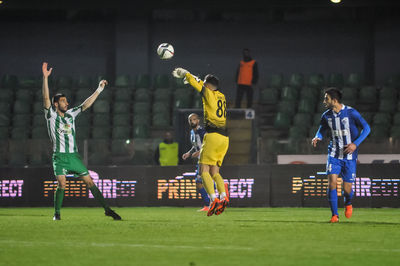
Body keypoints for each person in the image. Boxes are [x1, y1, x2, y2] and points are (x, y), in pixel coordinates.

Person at [41, 62, 121, 221]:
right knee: (62, 184)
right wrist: (45, 78)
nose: (67, 103)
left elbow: (85, 105)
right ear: (56, 104)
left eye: (66, 101)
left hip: (73, 157)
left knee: (90, 182)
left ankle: (107, 209)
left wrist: (99, 89)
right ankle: (57, 214)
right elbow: (45, 97)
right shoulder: (51, 115)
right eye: (63, 101)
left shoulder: (71, 114)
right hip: (60, 157)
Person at [172, 68, 229, 216]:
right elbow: (202, 84)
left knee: (204, 170)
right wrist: (195, 80)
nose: (204, 86)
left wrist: (186, 74)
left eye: (205, 84)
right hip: (224, 138)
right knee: (215, 172)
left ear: (209, 86)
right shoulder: (221, 96)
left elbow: (199, 86)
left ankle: (213, 199)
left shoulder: (208, 93)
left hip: (213, 136)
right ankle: (223, 197)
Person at [312, 87, 370, 223]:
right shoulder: (326, 115)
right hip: (333, 154)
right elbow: (321, 129)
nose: (324, 101)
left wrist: (355, 144)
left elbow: (367, 128)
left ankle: (348, 203)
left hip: (349, 156)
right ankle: (334, 215)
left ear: (335, 100)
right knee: (332, 183)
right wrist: (317, 136)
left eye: (326, 98)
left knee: (347, 189)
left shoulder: (351, 113)